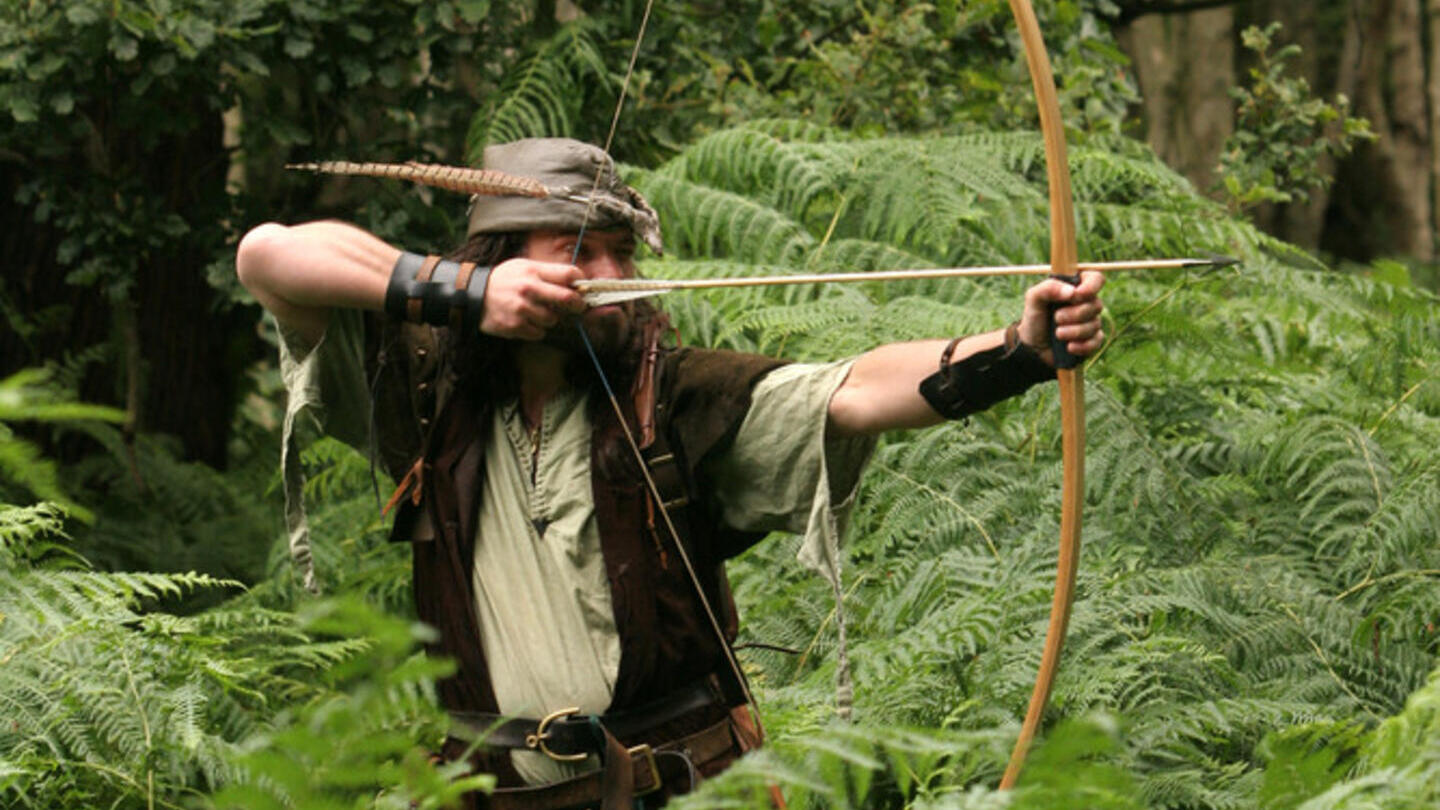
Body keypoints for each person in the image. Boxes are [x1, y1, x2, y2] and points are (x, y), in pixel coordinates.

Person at [236, 137, 1104, 810]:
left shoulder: (678, 397)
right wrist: (466, 294)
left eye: (623, 254)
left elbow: (854, 391)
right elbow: (267, 257)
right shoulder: (424, 389)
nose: (610, 278)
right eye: (579, 249)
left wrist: (1020, 349)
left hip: (679, 787)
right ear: (500, 256)